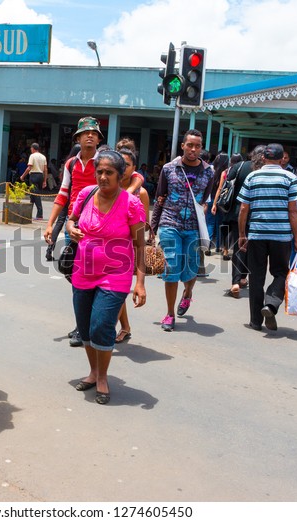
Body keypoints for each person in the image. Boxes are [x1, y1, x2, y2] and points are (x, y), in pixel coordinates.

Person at [66, 149, 146, 404]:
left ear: (121, 176)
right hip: (83, 271)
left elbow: (141, 245)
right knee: (86, 327)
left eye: (109, 172)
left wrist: (140, 284)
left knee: (101, 325)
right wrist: (72, 229)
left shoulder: (131, 203)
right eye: (99, 171)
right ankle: (93, 371)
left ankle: (103, 377)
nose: (102, 177)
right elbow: (71, 220)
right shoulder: (86, 194)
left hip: (116, 274)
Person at [44, 117, 104, 347]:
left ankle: (87, 325)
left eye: (94, 133)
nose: (90, 136)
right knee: (75, 275)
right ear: (78, 138)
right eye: (85, 133)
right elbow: (63, 194)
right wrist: (49, 224)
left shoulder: (105, 161)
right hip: (74, 226)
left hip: (99, 228)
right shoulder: (71, 164)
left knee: (89, 279)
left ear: (99, 138)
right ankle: (84, 322)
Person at [150, 129, 214, 332]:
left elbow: (204, 200)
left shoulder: (209, 172)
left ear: (201, 148)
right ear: (183, 146)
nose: (193, 149)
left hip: (193, 228)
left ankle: (187, 294)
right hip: (170, 224)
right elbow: (159, 198)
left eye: (197, 146)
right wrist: (152, 228)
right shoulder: (169, 169)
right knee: (171, 269)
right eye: (190, 145)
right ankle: (169, 314)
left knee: (191, 269)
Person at [237, 143, 297, 331]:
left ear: (263, 158)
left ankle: (256, 321)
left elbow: (243, 209)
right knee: (281, 273)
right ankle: (271, 304)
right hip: (281, 236)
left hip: (257, 234)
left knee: (256, 276)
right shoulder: (290, 178)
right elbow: (293, 211)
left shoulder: (252, 176)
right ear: (282, 159)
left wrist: (242, 234)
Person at [114, 146, 150, 344]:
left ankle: (113, 328)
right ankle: (125, 327)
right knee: (116, 292)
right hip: (107, 248)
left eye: (127, 165)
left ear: (134, 168)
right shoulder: (108, 187)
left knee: (116, 292)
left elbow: (143, 227)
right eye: (120, 164)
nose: (123, 168)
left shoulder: (141, 193)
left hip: (127, 249)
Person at [212, 150, 256, 297]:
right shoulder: (265, 171)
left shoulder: (239, 166)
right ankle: (244, 277)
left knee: (239, 246)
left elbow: (226, 185)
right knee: (252, 248)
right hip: (259, 215)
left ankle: (236, 281)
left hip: (238, 213)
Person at [45, 144, 81, 262]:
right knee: (64, 223)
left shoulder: (68, 163)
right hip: (71, 200)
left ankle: (50, 249)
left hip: (67, 199)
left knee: (60, 222)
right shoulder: (72, 164)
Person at [205, 152, 229, 256]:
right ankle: (218, 246)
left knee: (210, 223)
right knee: (220, 224)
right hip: (222, 202)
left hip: (210, 199)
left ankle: (208, 247)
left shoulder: (211, 170)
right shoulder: (227, 172)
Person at [20, 143, 48, 220]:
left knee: (36, 195)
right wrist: (45, 180)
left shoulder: (32, 156)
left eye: (31, 149)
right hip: (40, 176)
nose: (31, 150)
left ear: (33, 149)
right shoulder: (43, 157)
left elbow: (29, 167)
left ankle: (40, 214)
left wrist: (23, 176)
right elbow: (45, 169)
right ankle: (29, 213)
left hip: (34, 175)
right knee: (32, 195)